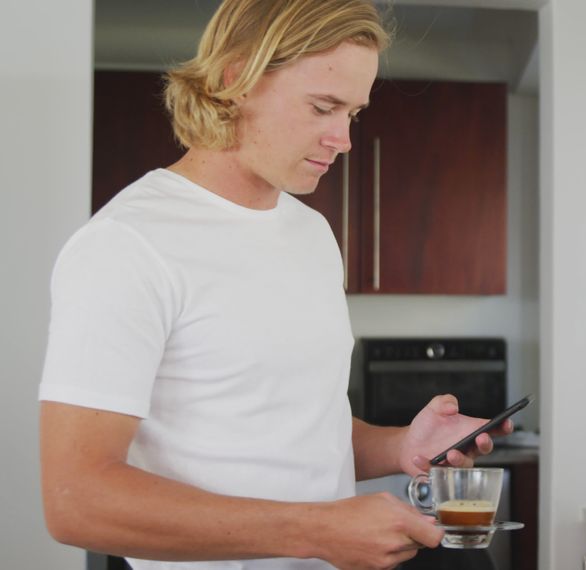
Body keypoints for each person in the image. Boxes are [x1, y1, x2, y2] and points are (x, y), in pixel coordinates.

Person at [38, 1, 510, 569]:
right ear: (237, 79)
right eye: (322, 107)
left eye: (353, 114)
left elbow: (293, 430)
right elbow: (76, 501)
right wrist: (316, 531)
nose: (343, 138)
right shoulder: (128, 244)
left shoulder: (312, 233)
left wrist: (401, 444)